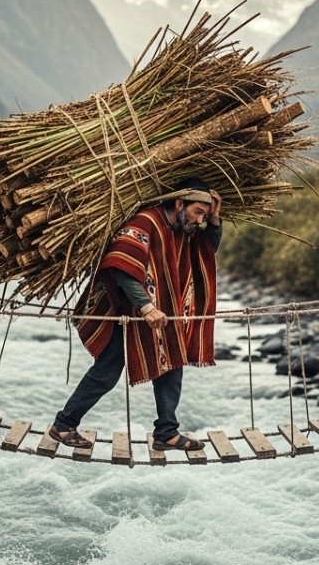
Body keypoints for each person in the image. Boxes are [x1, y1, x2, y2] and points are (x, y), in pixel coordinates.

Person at [48, 178, 222, 451]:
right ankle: (63, 424)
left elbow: (207, 251)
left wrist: (214, 219)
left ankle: (166, 432)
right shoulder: (145, 221)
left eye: (203, 215)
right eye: (198, 212)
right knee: (107, 372)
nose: (199, 220)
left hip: (161, 313)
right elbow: (121, 265)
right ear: (179, 203)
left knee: (172, 365)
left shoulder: (182, 228)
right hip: (127, 310)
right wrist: (146, 307)